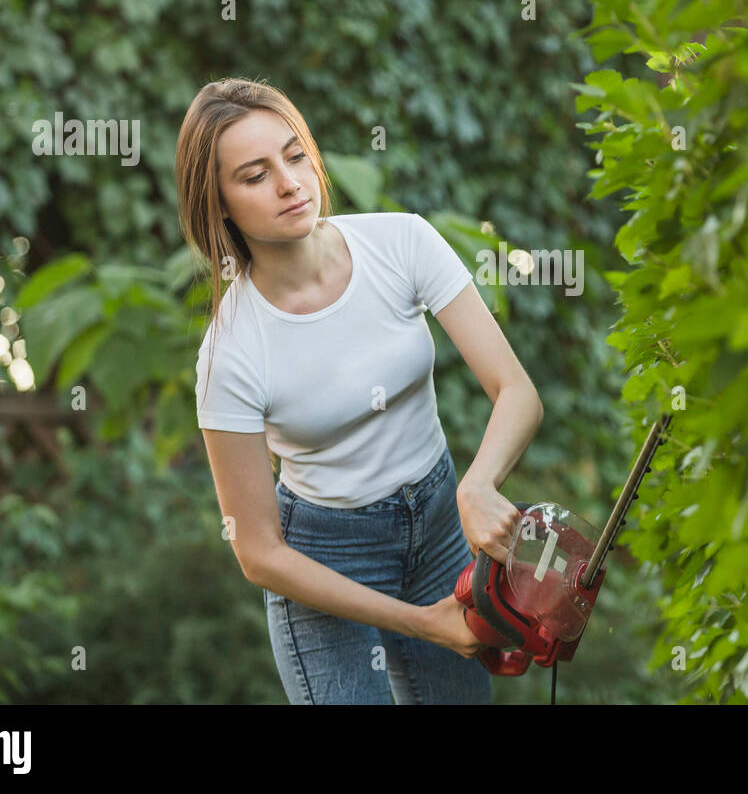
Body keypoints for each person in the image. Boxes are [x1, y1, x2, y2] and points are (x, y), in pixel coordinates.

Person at [174, 77, 543, 704]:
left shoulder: (402, 242)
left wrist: (476, 485)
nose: (290, 183)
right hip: (322, 562)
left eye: (294, 156)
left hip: (437, 526)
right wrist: (420, 621)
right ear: (221, 206)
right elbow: (259, 553)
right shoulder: (230, 353)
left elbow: (517, 391)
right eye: (255, 175)